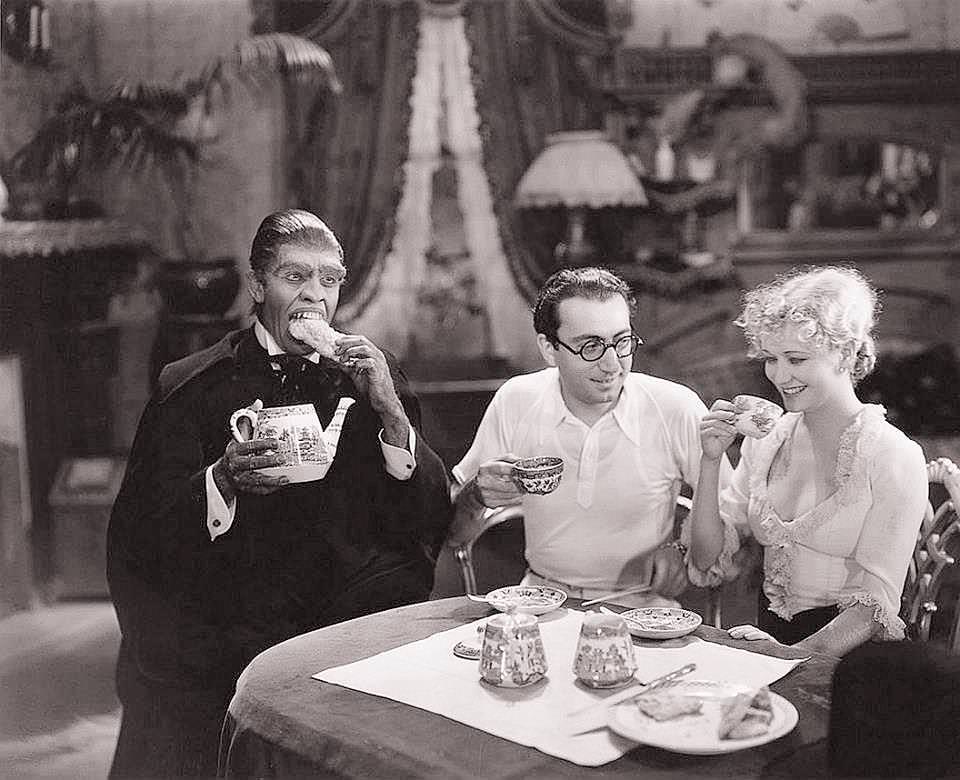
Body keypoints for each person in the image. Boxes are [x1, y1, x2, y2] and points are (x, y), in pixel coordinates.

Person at [106, 209, 451, 777]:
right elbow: (139, 536)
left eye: (329, 280)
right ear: (259, 285)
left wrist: (391, 414)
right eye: (296, 277)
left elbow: (428, 514)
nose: (315, 297)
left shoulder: (373, 375)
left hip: (341, 623)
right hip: (227, 626)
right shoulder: (190, 385)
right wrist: (222, 479)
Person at [448, 267, 730, 607]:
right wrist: (476, 496)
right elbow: (452, 534)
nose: (613, 364)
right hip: (540, 600)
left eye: (622, 342)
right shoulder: (516, 400)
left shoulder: (675, 406)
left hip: (642, 608)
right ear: (549, 349)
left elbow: (733, 513)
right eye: (591, 346)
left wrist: (681, 549)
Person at [687, 266, 928, 656]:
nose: (780, 376)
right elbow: (706, 559)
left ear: (846, 353)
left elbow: (874, 607)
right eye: (770, 358)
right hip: (766, 644)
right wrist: (710, 460)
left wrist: (786, 657)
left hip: (851, 661)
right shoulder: (765, 442)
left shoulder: (892, 455)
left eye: (796, 359)